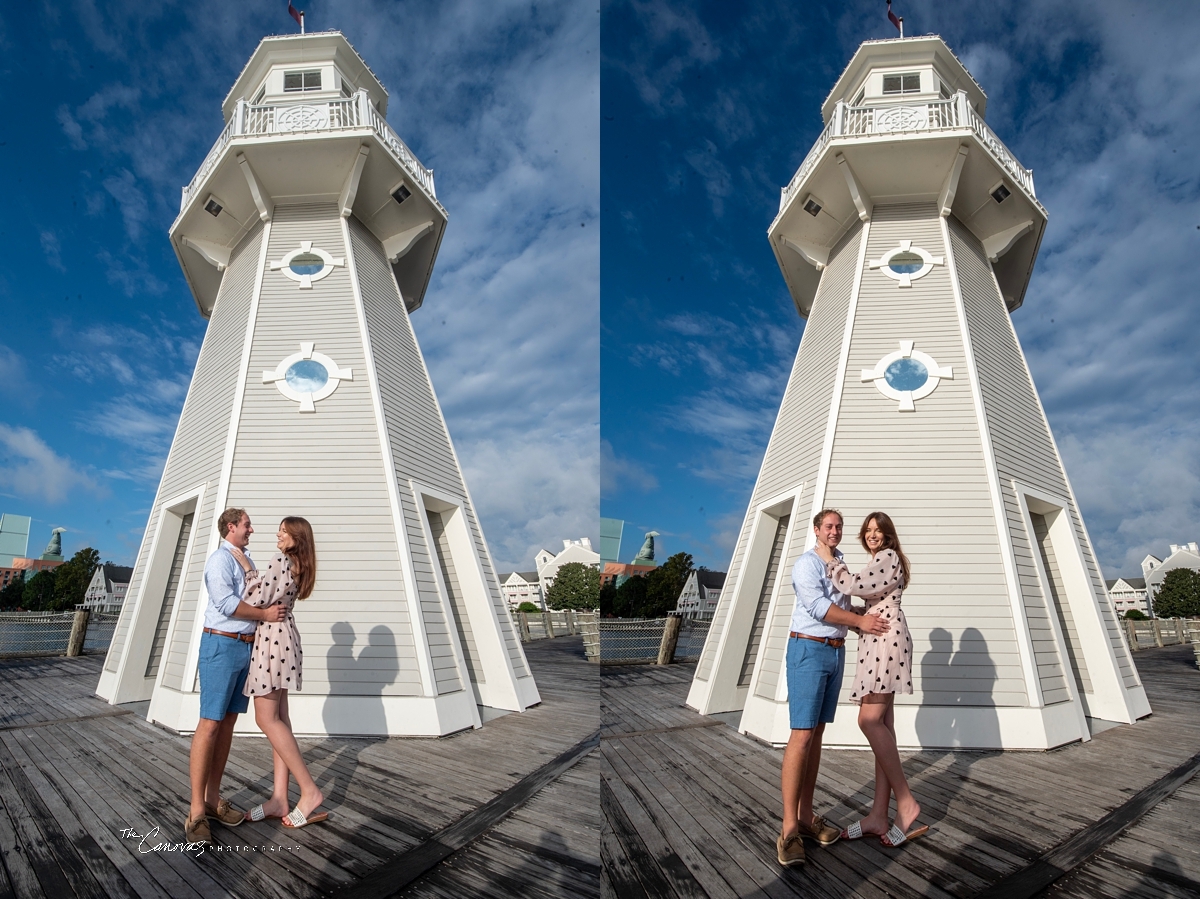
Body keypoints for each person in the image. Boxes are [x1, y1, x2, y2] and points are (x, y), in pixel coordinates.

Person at [777, 508, 892, 867]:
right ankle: (788, 830)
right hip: (808, 648)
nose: (835, 531)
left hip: (835, 651)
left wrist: (867, 616)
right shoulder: (807, 565)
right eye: (829, 526)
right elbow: (819, 607)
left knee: (817, 734)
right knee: (801, 735)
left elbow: (843, 602)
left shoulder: (840, 561)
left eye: (839, 526)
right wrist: (860, 621)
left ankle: (807, 817)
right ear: (816, 530)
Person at [187, 508, 287, 846]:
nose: (252, 530)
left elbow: (257, 591)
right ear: (231, 527)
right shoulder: (220, 560)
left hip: (246, 647)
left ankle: (214, 800)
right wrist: (265, 614)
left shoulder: (244, 559)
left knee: (227, 722)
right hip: (221, 643)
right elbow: (227, 603)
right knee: (210, 723)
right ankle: (196, 811)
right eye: (246, 525)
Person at [827, 511, 927, 848]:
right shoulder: (883, 561)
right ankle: (878, 815)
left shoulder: (887, 557)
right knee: (883, 725)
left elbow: (855, 585)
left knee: (869, 721)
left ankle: (907, 801)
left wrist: (830, 562)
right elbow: (872, 598)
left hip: (886, 642)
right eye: (868, 530)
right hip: (879, 640)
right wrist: (857, 615)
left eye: (878, 530)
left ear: (888, 534)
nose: (872, 535)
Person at [231, 516, 328, 829]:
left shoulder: (280, 560)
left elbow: (254, 599)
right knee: (279, 720)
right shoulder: (299, 564)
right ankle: (279, 798)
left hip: (271, 641)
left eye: (284, 531)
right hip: (284, 639)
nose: (278, 534)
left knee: (266, 719)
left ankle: (310, 791)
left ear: (295, 537)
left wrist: (247, 571)